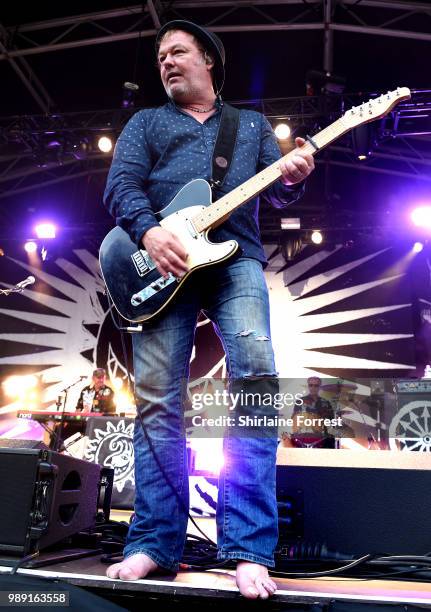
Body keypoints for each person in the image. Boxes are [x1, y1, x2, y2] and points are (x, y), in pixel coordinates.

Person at [103, 20, 314, 599]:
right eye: (160, 56)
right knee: (156, 399)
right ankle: (152, 543)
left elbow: (281, 189)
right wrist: (148, 234)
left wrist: (295, 176)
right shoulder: (145, 122)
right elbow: (120, 186)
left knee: (256, 382)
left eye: (177, 52)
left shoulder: (248, 125)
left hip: (236, 259)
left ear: (209, 60)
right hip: (161, 263)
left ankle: (248, 550)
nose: (166, 62)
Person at [291, 376, 335, 448]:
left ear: (319, 387)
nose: (313, 388)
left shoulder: (326, 403)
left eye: (316, 386)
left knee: (331, 440)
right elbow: (295, 421)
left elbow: (332, 422)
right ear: (308, 386)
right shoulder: (300, 401)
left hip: (321, 436)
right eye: (311, 385)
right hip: (304, 435)